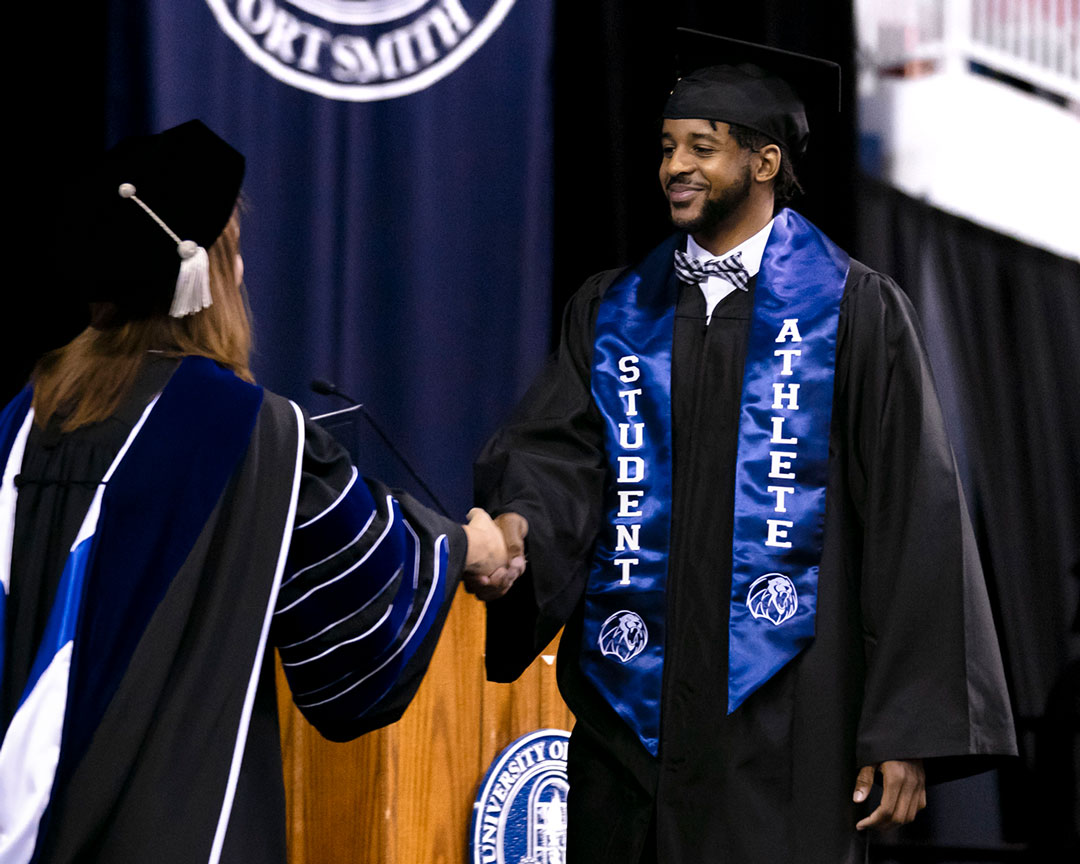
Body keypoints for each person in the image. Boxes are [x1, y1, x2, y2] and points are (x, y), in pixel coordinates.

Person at [471, 31, 1017, 864]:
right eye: (665, 148)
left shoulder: (855, 313)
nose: (674, 167)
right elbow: (560, 453)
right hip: (630, 725)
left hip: (786, 720)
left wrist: (906, 728)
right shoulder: (616, 311)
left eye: (701, 147)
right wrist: (518, 528)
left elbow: (917, 517)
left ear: (764, 164)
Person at [0, 119, 508, 864]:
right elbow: (365, 581)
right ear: (201, 273)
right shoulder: (243, 428)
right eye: (232, 250)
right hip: (174, 828)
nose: (241, 273)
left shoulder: (27, 415)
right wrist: (473, 544)